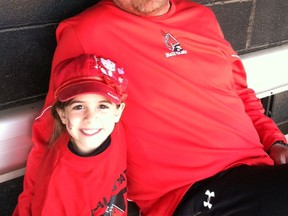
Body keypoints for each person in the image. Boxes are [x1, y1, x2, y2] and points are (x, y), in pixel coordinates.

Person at [17, 0, 288, 215]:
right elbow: (50, 133)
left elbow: (240, 92)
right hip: (193, 195)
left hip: (259, 172)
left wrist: (274, 140)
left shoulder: (202, 18)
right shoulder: (87, 31)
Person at [13, 54, 128, 215]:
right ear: (63, 115)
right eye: (79, 107)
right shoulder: (57, 186)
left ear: (118, 112)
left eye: (102, 106)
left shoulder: (116, 130)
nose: (91, 118)